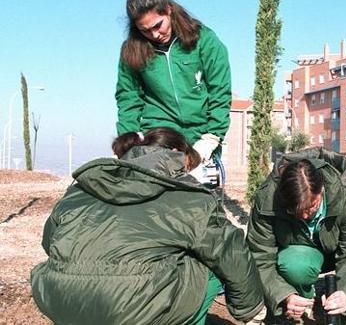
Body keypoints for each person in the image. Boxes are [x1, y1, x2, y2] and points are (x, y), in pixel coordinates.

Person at [30, 127, 265, 325]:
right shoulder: (188, 196)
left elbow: (49, 242)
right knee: (208, 262)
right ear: (175, 153)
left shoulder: (82, 187)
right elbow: (231, 252)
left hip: (61, 300)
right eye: (187, 166)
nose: (187, 174)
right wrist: (250, 308)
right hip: (132, 311)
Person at [246, 147, 346, 325]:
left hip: (336, 250)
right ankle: (302, 298)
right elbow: (260, 257)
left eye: (311, 207)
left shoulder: (344, 196)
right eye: (295, 211)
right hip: (302, 255)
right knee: (295, 264)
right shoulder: (267, 200)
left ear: (322, 189)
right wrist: (283, 294)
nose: (304, 216)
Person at [115, 0, 232, 163]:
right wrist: (127, 139)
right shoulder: (131, 51)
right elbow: (128, 97)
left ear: (169, 10)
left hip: (201, 135)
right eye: (145, 30)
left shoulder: (205, 41)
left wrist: (212, 136)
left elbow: (220, 91)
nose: (154, 34)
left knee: (201, 187)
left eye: (158, 25)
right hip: (158, 136)